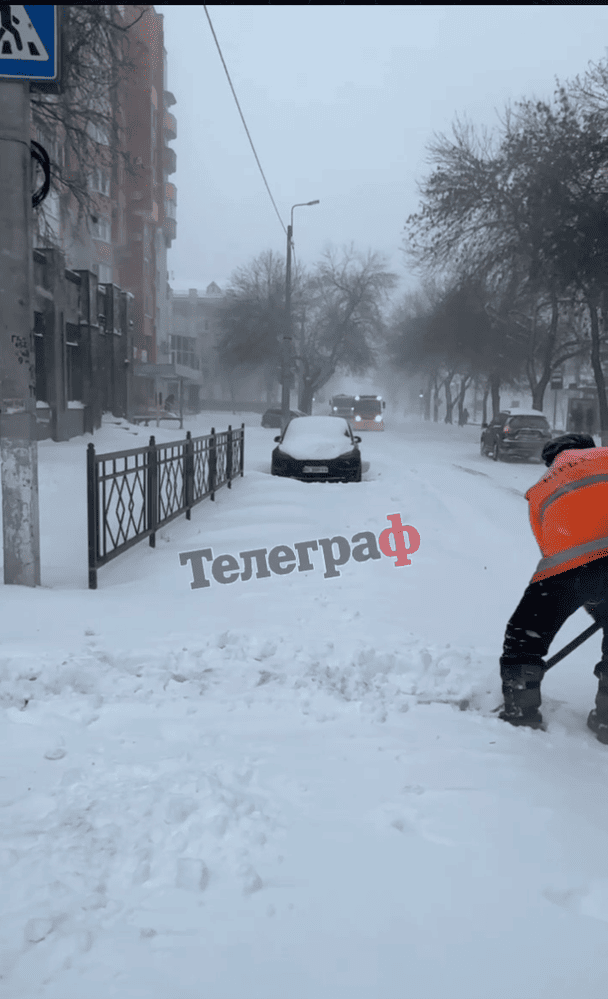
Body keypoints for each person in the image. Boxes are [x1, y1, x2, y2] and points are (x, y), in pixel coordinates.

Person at [499, 432, 608, 742]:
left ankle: (521, 711)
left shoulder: (542, 488)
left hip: (567, 567)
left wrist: (587, 594)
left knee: (524, 635)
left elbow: (551, 549)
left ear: (551, 461)